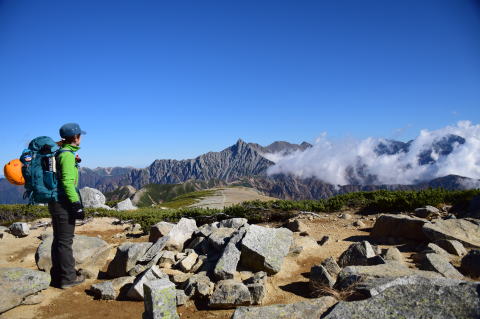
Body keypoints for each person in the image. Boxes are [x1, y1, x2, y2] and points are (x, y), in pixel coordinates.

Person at [48, 122, 87, 289]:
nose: (82, 138)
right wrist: (76, 204)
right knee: (65, 242)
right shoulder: (67, 155)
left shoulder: (61, 152)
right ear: (76, 137)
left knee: (59, 240)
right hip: (63, 203)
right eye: (80, 135)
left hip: (55, 202)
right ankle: (68, 278)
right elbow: (67, 182)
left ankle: (58, 275)